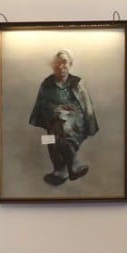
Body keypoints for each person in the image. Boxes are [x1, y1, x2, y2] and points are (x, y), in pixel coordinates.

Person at [28, 48, 98, 187]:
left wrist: (70, 114)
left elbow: (87, 109)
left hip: (75, 121)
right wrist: (56, 109)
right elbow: (42, 106)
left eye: (64, 62)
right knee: (56, 129)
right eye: (57, 63)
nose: (61, 66)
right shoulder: (47, 83)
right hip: (55, 120)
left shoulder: (78, 83)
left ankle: (60, 171)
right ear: (53, 66)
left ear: (70, 64)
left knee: (61, 126)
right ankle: (72, 165)